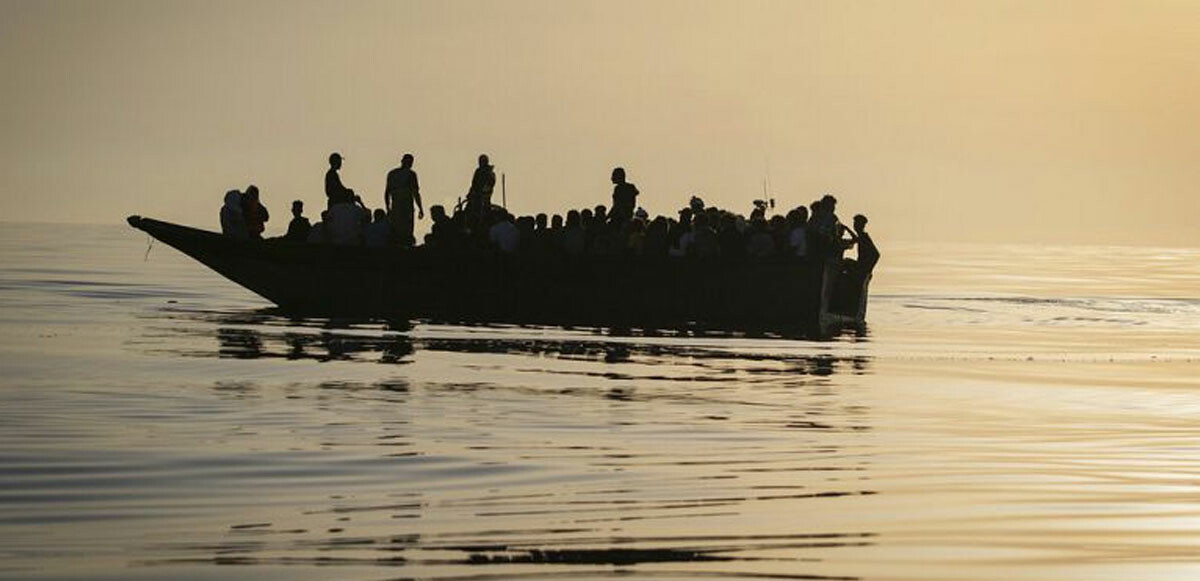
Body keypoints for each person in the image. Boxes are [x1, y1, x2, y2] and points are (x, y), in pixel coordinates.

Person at [384, 153, 423, 247]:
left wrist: (388, 207)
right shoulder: (411, 174)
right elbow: (415, 193)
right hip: (405, 207)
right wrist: (420, 208)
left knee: (397, 230)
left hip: (396, 206)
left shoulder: (392, 174)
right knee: (406, 231)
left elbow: (387, 192)